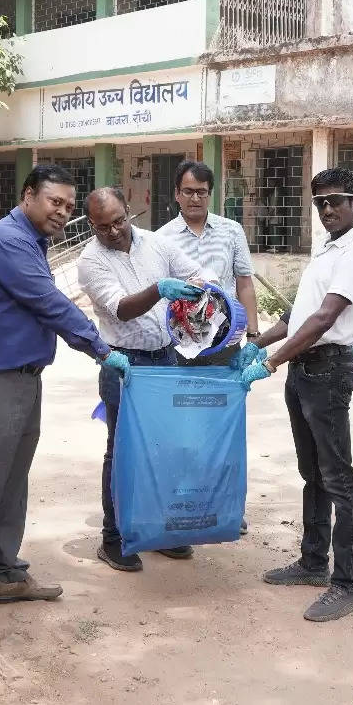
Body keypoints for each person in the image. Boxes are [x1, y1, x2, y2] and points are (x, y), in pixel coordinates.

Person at [0, 165, 129, 626]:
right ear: (28, 195)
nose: (63, 213)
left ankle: (8, 573)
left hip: (23, 378)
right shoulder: (9, 240)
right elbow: (49, 303)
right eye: (55, 202)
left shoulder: (31, 241)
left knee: (12, 482)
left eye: (69, 207)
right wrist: (100, 348)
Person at [237, 167, 353, 623]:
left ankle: (347, 583)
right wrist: (253, 343)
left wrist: (272, 362)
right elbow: (296, 316)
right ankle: (314, 561)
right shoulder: (327, 250)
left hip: (329, 369)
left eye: (336, 200)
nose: (328, 209)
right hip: (304, 370)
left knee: (338, 477)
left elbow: (322, 320)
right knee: (311, 472)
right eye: (320, 203)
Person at [76, 187, 211, 572]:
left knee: (166, 448)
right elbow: (121, 309)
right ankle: (114, 538)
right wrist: (159, 290)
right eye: (103, 227)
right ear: (92, 226)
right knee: (122, 452)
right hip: (123, 363)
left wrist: (199, 288)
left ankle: (161, 533)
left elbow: (199, 273)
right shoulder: (90, 261)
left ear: (130, 212)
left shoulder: (157, 244)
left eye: (119, 221)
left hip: (165, 357)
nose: (114, 231)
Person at [157, 159, 261, 362]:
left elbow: (245, 284)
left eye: (201, 192)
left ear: (209, 194)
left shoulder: (232, 231)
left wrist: (253, 335)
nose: (195, 198)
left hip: (226, 337)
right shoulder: (161, 238)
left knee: (223, 393)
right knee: (183, 394)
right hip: (181, 341)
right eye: (188, 191)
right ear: (177, 194)